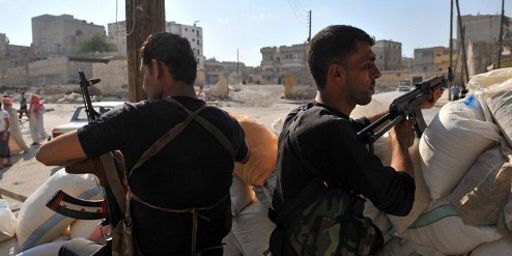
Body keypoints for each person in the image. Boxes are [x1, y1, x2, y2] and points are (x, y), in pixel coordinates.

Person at [36, 32, 249, 255]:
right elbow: (245, 156)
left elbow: (46, 155)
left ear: (156, 68)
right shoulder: (227, 124)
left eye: (143, 74)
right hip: (210, 251)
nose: (144, 86)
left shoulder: (134, 118)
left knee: (70, 248)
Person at [269, 25, 442, 255]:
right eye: (367, 65)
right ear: (337, 74)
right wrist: (398, 140)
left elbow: (356, 129)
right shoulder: (329, 130)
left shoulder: (305, 117)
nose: (377, 73)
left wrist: (408, 106)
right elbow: (401, 200)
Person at [0, 101, 11, 168]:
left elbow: (8, 123)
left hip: (3, 132)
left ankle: (1, 164)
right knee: (5, 147)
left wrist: (5, 133)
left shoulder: (4, 112)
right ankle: (9, 161)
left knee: (2, 148)